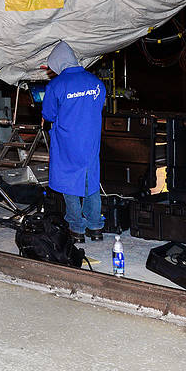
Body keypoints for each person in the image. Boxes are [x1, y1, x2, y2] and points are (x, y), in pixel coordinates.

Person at [40, 41, 107, 243]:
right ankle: (95, 227)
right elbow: (98, 107)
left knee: (69, 182)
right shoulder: (96, 82)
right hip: (91, 139)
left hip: (68, 141)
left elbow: (49, 114)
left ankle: (77, 229)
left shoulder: (56, 84)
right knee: (90, 180)